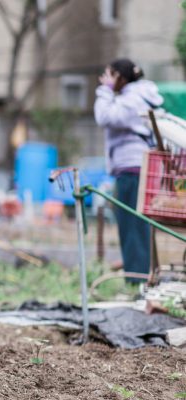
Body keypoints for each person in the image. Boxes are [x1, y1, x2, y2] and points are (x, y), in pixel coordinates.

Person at [94, 58, 163, 283]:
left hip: (133, 168)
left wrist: (104, 92)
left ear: (121, 78)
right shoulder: (139, 96)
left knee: (132, 225)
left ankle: (137, 279)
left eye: (109, 75)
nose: (105, 80)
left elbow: (104, 117)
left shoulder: (131, 99)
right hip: (135, 167)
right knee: (134, 225)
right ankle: (138, 275)